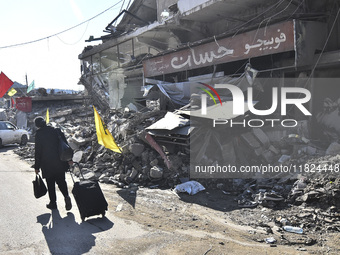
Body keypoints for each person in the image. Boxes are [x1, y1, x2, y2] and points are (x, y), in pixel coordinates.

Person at [34, 116, 72, 210]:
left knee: (50, 184)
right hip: (60, 161)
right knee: (62, 182)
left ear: (37, 125)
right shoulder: (56, 130)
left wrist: (37, 166)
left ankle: (53, 203)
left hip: (47, 164)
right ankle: (66, 197)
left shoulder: (39, 134)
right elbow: (65, 145)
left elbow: (38, 152)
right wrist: (69, 159)